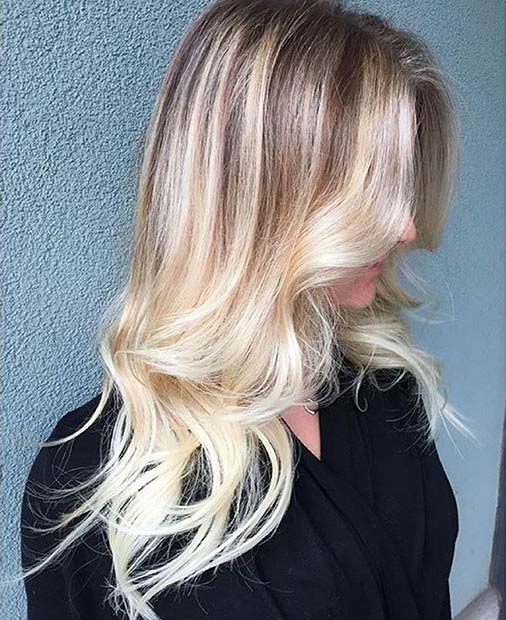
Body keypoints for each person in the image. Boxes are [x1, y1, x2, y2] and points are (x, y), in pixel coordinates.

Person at [20, 1, 475, 618]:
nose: (406, 228)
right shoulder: (92, 481)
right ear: (250, 197)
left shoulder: (385, 389)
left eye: (401, 185)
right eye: (368, 192)